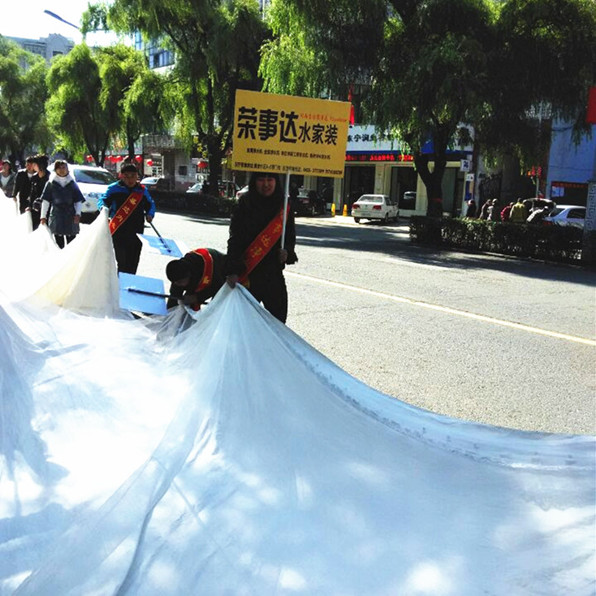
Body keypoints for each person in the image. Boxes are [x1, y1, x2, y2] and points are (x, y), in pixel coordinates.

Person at [225, 171, 298, 323]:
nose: (266, 184)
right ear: (254, 182)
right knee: (243, 323)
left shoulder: (283, 205)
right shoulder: (245, 203)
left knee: (278, 323)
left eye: (270, 179)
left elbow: (290, 235)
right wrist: (232, 270)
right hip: (248, 274)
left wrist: (287, 252)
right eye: (261, 180)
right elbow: (235, 239)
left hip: (273, 275)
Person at [98, 162, 156, 274]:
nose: (130, 179)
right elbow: (103, 201)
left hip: (137, 231)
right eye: (126, 176)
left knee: (133, 261)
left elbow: (150, 204)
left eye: (133, 176)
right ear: (121, 176)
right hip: (119, 230)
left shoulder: (141, 190)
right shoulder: (114, 188)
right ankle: (120, 282)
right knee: (122, 261)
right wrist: (103, 208)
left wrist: (150, 214)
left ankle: (130, 282)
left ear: (137, 176)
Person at [39, 160, 85, 248]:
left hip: (70, 216)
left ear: (67, 169)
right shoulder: (51, 183)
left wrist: (78, 214)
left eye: (64, 167)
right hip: (56, 215)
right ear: (55, 170)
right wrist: (43, 216)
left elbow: (78, 201)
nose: (62, 170)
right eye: (59, 168)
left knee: (71, 243)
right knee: (58, 243)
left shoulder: (72, 184)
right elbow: (45, 201)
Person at [28, 154, 50, 230]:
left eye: (34, 164)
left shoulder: (50, 177)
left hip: (47, 208)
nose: (33, 166)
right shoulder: (34, 177)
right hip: (35, 208)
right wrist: (29, 206)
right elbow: (32, 193)